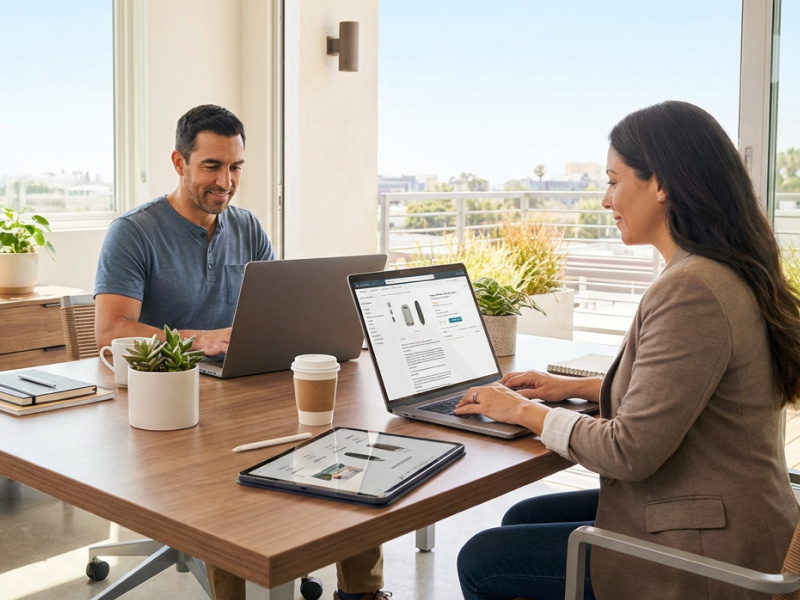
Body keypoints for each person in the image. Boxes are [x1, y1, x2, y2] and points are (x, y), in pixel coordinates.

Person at [454, 101, 800, 600]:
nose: (605, 200)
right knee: (521, 517)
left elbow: (628, 452)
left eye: (614, 181)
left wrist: (525, 412)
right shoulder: (725, 269)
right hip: (733, 517)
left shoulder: (693, 288)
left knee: (483, 560)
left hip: (713, 555)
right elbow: (695, 390)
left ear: (660, 184)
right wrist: (576, 387)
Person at [94, 104, 389, 600]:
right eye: (212, 166)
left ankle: (362, 593)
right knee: (225, 476)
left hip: (240, 387)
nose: (225, 182)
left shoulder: (247, 226)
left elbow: (274, 306)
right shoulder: (135, 232)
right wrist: (200, 338)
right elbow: (111, 330)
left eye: (235, 167)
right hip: (167, 398)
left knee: (345, 440)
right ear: (178, 162)